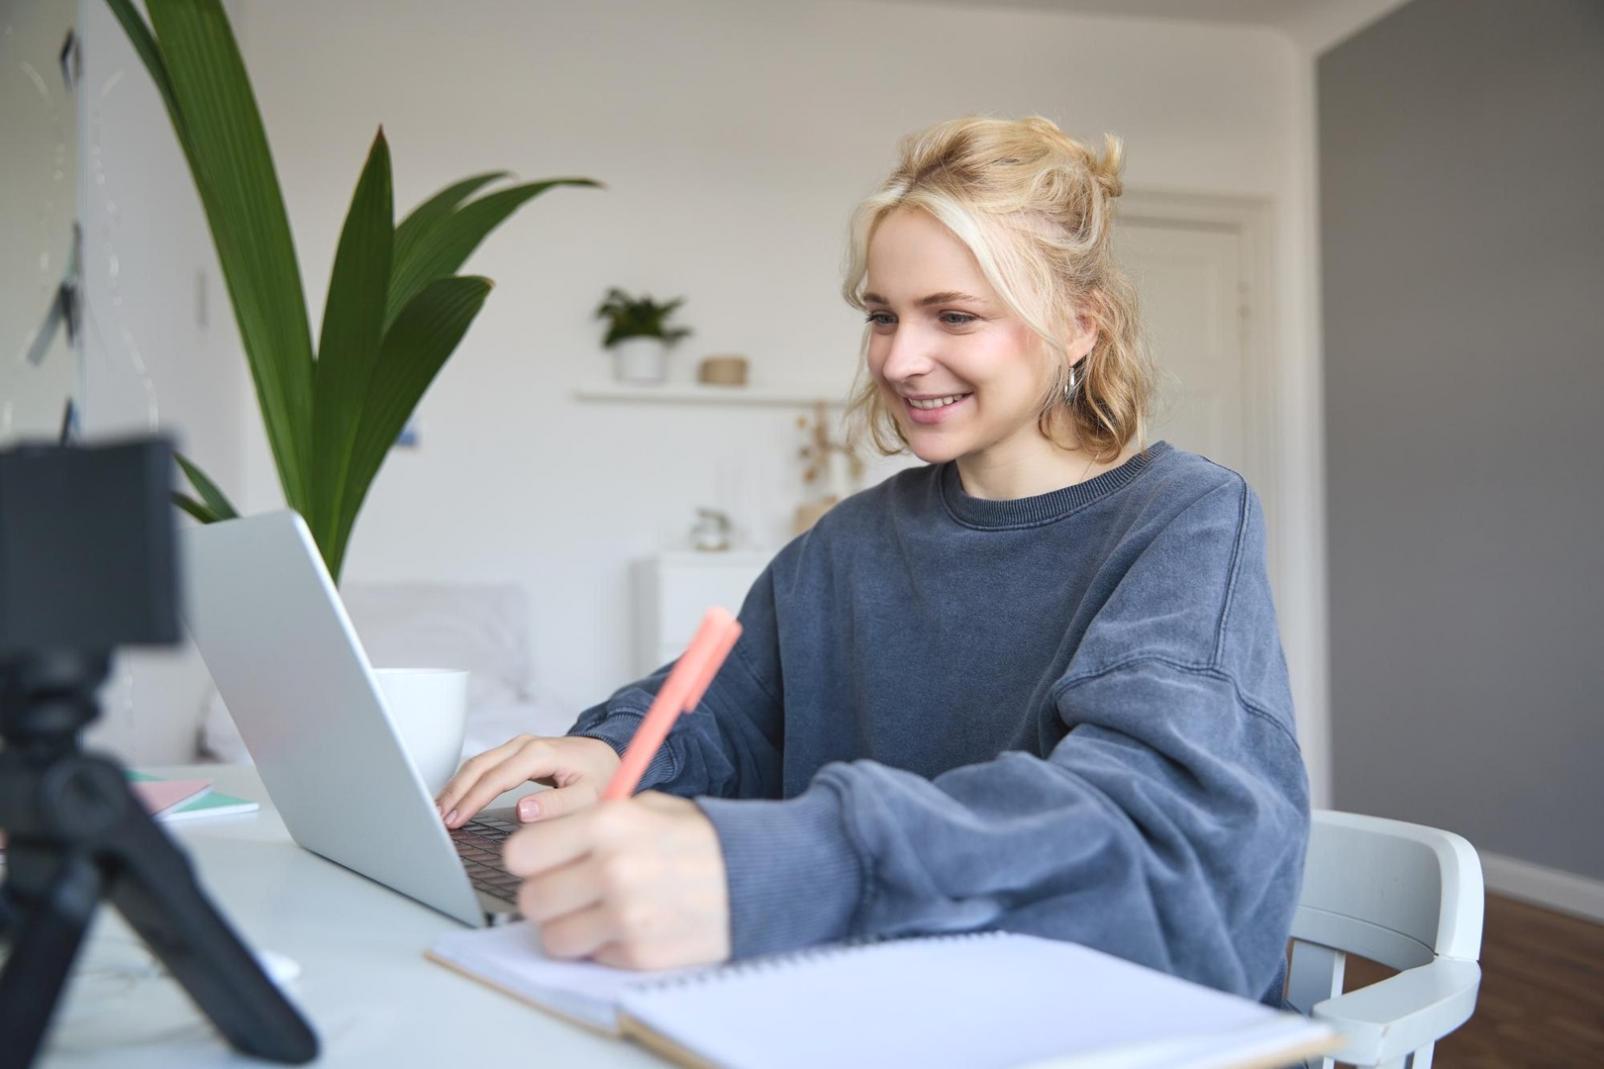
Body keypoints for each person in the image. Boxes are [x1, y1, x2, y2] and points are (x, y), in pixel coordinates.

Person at [434, 114, 1310, 1005]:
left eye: (954, 316)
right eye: (882, 316)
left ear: (1081, 326)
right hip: (874, 1003)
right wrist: (609, 751)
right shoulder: (847, 543)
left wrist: (802, 862)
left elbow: (1151, 825)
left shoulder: (1184, 519)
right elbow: (723, 715)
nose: (900, 357)